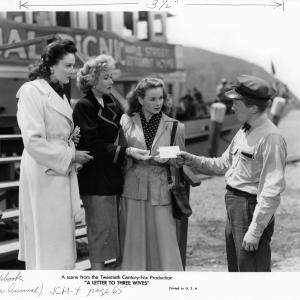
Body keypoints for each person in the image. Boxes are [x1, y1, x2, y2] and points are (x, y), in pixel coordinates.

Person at [178, 75, 287, 272]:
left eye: (236, 103)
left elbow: (272, 188)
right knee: (237, 269)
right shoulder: (245, 130)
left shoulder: (271, 138)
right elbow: (222, 164)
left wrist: (255, 230)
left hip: (250, 208)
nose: (232, 107)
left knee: (252, 272)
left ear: (253, 108)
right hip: (235, 206)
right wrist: (191, 159)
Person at [16, 39, 93, 270]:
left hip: (58, 170)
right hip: (43, 173)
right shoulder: (32, 91)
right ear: (51, 65)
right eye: (68, 66)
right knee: (47, 239)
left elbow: (57, 133)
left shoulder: (58, 94)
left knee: (60, 237)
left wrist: (70, 143)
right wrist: (70, 156)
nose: (73, 71)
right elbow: (33, 140)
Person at [73, 55, 150, 270]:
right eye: (106, 77)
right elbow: (93, 145)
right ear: (91, 80)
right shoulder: (84, 106)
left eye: (111, 77)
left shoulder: (110, 104)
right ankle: (98, 278)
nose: (111, 82)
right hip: (96, 178)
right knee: (100, 230)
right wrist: (127, 151)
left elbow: (124, 130)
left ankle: (114, 275)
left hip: (113, 175)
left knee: (115, 230)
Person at [119, 77, 185, 271]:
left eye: (161, 98)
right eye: (153, 99)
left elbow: (181, 157)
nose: (158, 103)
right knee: (134, 243)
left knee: (165, 244)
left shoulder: (175, 126)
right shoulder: (125, 122)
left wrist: (165, 155)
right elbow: (120, 154)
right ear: (140, 100)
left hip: (161, 190)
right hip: (132, 189)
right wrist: (131, 154)